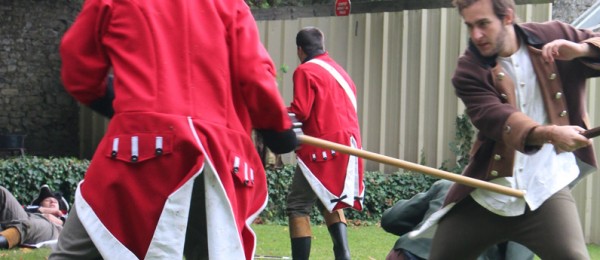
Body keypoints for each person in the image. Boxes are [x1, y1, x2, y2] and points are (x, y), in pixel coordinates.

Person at [52, 0, 298, 259]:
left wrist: (123, 104)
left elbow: (78, 67)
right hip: (218, 160)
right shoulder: (230, 4)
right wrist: (279, 131)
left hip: (137, 150)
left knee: (73, 253)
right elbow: (254, 76)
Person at [426, 0, 600, 259]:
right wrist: (550, 133)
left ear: (508, 17)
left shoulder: (553, 36)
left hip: (546, 189)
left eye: (483, 24)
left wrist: (581, 50)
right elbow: (497, 119)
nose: (476, 35)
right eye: (470, 26)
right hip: (488, 194)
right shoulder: (469, 69)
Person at [286, 26, 364, 260]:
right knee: (330, 200)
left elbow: (300, 110)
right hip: (349, 146)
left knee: (297, 205)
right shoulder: (340, 72)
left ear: (300, 50)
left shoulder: (305, 71)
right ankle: (343, 254)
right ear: (322, 46)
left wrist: (273, 116)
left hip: (322, 148)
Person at [381, 180, 533, 260]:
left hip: (407, 255)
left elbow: (391, 219)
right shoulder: (521, 208)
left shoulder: (449, 185)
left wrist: (426, 231)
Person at [0, 185, 68, 249]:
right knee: (2, 192)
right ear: (40, 204)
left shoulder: (65, 218)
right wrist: (41, 210)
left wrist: (62, 221)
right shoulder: (32, 209)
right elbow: (23, 208)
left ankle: (4, 239)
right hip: (26, 216)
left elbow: (75, 227)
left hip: (52, 228)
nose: (52, 201)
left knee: (30, 224)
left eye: (55, 202)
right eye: (48, 200)